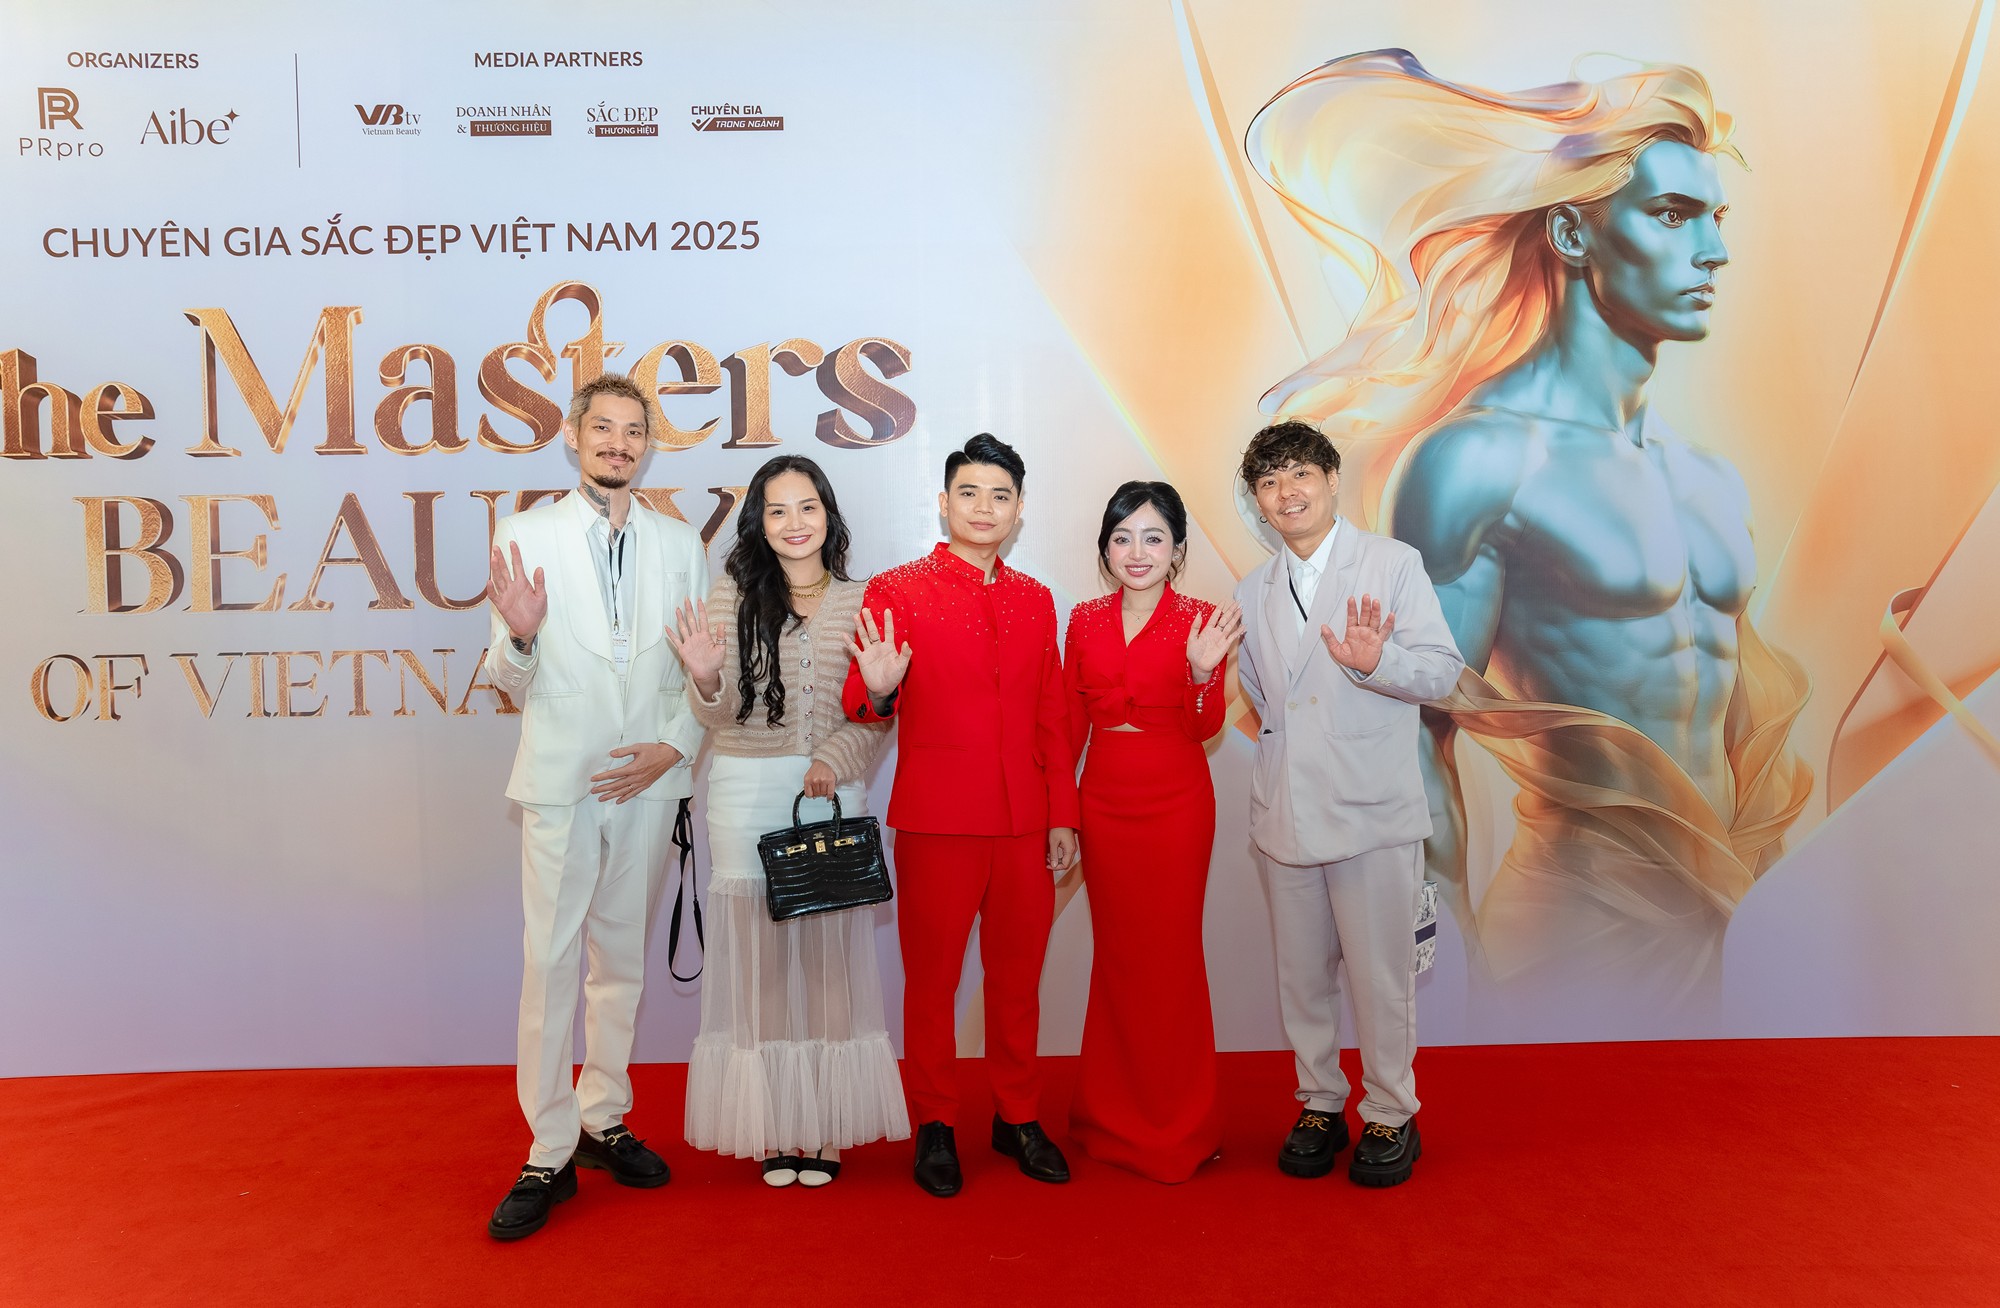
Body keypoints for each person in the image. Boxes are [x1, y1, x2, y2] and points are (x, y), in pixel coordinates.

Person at [1244, 50, 1810, 1021]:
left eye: (1716, 219)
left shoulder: (1710, 480)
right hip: (1573, 931)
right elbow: (1413, 728)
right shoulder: (1477, 462)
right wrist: (1441, 954)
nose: (1712, 251)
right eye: (1672, 215)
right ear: (1572, 232)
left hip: (1731, 926)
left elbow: (1733, 724)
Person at [480, 373, 711, 1239]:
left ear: (647, 445)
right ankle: (547, 1149)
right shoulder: (525, 533)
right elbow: (507, 679)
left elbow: (698, 668)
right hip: (561, 783)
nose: (619, 443)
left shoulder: (680, 542)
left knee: (622, 963)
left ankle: (601, 1117)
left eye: (634, 430)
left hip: (648, 781)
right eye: (603, 427)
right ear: (573, 437)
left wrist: (675, 749)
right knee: (549, 963)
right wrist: (522, 632)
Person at [842, 433, 1080, 1197]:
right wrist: (880, 686)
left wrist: (1063, 815)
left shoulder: (1036, 598)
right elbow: (861, 701)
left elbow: (1053, 715)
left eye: (1000, 496)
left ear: (1019, 510)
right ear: (944, 503)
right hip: (938, 822)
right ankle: (936, 1123)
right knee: (933, 983)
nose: (984, 508)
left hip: (1026, 823)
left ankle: (1018, 1116)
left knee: (1018, 981)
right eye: (969, 493)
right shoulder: (898, 589)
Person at [1234, 419, 1464, 1188]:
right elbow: (1265, 699)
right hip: (1285, 813)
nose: (1286, 492)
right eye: (1269, 483)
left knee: (1380, 975)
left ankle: (1392, 1111)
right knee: (1301, 977)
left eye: (1300, 474)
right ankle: (1320, 1103)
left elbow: (1441, 671)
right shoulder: (1251, 590)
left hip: (1371, 809)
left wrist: (1378, 661)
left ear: (1332, 480)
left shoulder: (1392, 564)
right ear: (1259, 503)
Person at [670, 454, 907, 1187]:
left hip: (830, 796)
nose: (794, 523)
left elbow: (873, 713)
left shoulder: (865, 600)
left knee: (829, 967)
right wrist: (704, 677)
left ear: (828, 514)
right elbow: (717, 715)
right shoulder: (730, 594)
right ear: (759, 523)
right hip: (744, 793)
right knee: (763, 971)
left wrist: (835, 753)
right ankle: (777, 1125)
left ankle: (826, 1125)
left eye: (807, 507)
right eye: (777, 510)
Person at [1062, 481, 1242, 1183]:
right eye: (1122, 538)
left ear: (1178, 549)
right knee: (1117, 957)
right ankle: (1109, 1116)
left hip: (1176, 804)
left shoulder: (1202, 620)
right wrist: (1062, 814)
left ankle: (1178, 1125)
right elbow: (1070, 726)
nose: (1137, 552)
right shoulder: (1084, 619)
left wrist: (1201, 673)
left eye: (1153, 538)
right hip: (1103, 800)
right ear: (1105, 549)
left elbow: (1206, 728)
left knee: (1170, 957)